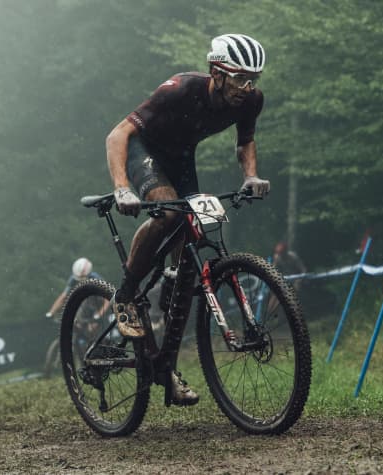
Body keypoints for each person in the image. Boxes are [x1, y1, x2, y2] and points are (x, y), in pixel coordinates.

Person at [104, 34, 271, 405]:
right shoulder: (181, 89)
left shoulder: (251, 100)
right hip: (143, 152)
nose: (247, 87)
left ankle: (165, 363)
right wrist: (121, 188)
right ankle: (127, 292)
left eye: (253, 79)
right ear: (217, 72)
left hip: (181, 159)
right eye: (240, 78)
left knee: (196, 243)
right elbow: (118, 134)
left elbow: (245, 141)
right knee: (167, 214)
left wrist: (251, 176)